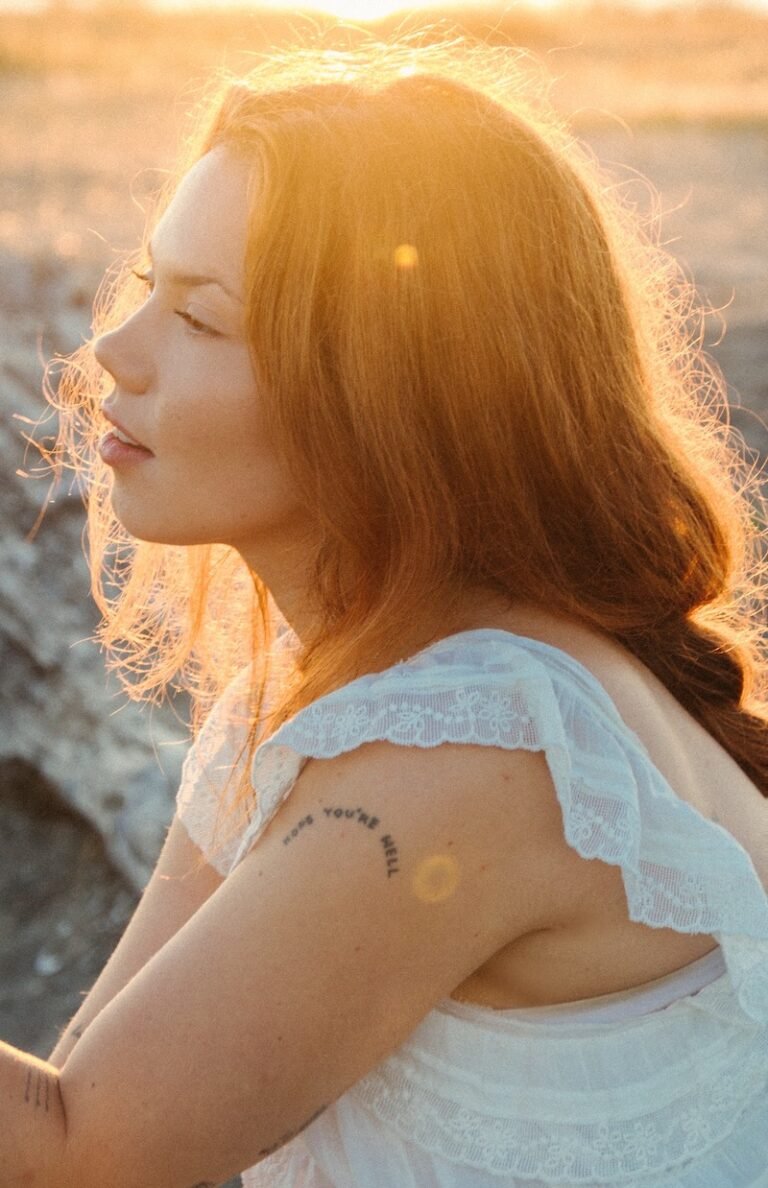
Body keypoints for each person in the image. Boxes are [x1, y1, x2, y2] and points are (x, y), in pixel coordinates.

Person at [5, 38, 768, 1188]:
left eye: (200, 319)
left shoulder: (475, 738)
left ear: (382, 395)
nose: (111, 351)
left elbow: (84, 1156)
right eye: (147, 288)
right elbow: (81, 1109)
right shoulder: (327, 697)